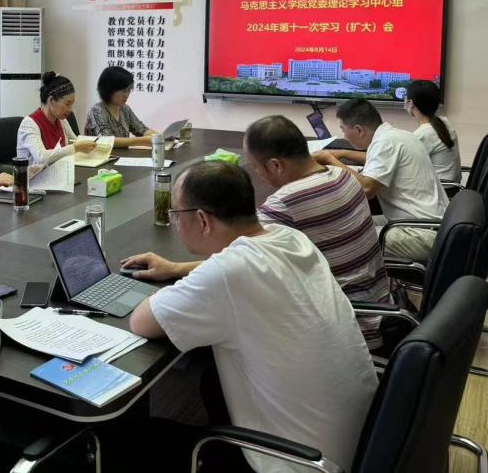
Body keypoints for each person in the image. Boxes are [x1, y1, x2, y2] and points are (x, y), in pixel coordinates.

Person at [122, 161, 377, 472]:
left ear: (202, 220)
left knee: (132, 438)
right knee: (211, 379)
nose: (174, 222)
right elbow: (237, 269)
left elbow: (141, 321)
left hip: (298, 462)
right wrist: (177, 269)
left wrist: (186, 283)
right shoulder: (288, 237)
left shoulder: (228, 274)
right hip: (361, 439)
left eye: (175, 214)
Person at [244, 115, 389, 348]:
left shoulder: (283, 204)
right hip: (381, 300)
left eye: (256, 167)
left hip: (348, 326)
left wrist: (180, 268)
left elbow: (237, 260)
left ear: (275, 165)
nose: (257, 173)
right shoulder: (344, 175)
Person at [313, 99, 448, 263]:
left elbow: (366, 189)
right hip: (431, 224)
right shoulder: (396, 135)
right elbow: (377, 160)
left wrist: (329, 159)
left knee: (343, 238)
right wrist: (342, 153)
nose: (344, 135)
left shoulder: (384, 143)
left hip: (421, 233)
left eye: (343, 129)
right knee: (351, 221)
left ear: (359, 130)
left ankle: (366, 279)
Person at [16, 71, 97, 165]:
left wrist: (100, 144)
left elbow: (75, 141)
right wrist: (76, 147)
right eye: (67, 104)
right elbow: (41, 157)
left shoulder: (62, 121)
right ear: (51, 100)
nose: (70, 109)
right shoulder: (29, 124)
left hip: (59, 171)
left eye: (72, 104)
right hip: (34, 174)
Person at [83, 66, 158, 147]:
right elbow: (106, 140)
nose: (127, 95)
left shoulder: (125, 109)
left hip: (122, 155)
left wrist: (159, 137)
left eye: (129, 90)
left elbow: (141, 129)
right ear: (109, 90)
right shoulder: (97, 111)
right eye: (124, 91)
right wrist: (142, 140)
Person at [405, 79, 461, 184]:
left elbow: (405, 167)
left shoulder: (423, 135)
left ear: (410, 103)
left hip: (439, 190)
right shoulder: (444, 121)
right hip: (451, 187)